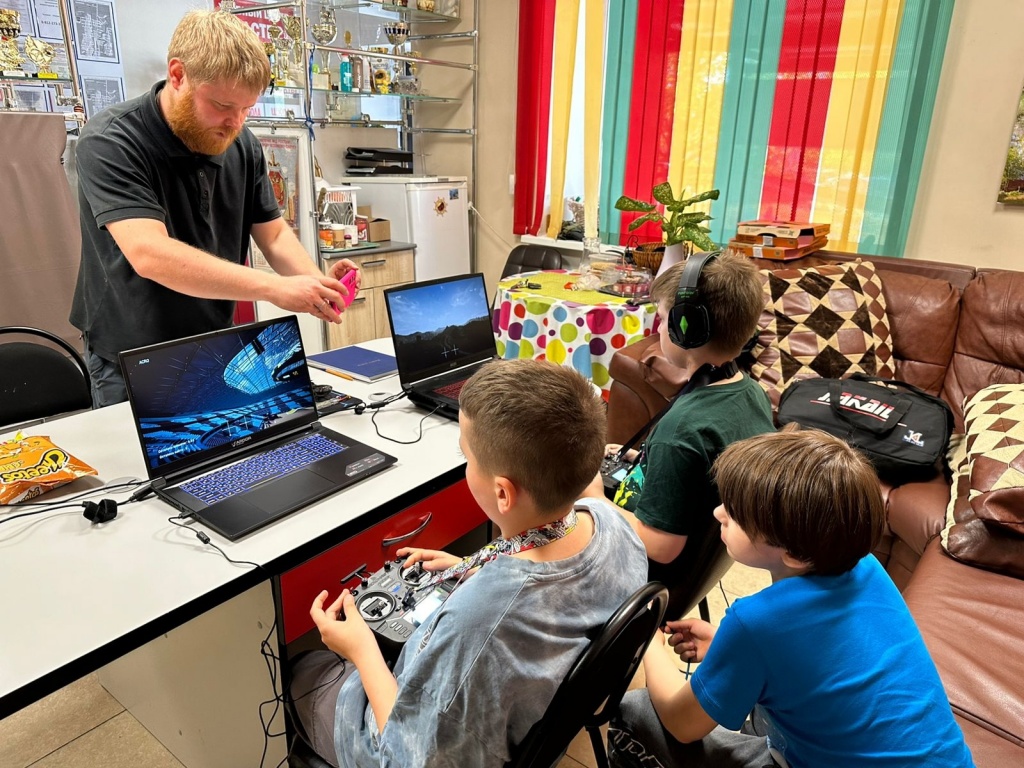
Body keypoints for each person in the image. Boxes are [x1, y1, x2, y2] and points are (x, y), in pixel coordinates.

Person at [289, 359, 647, 767]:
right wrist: (477, 567)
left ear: (502, 494)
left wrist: (361, 650)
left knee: (305, 668)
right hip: (530, 720)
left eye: (467, 456)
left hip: (405, 749)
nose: (466, 466)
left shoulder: (477, 625)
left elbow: (409, 759)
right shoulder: (611, 523)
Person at [608, 428, 975, 768]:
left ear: (795, 554)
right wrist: (728, 648)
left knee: (637, 711)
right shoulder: (866, 567)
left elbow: (680, 723)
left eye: (735, 514)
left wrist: (648, 640)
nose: (719, 513)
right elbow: (824, 654)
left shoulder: (756, 622)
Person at [70, 10, 358, 407]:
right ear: (178, 75)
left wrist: (315, 286)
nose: (235, 122)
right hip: (132, 352)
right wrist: (276, 288)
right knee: (148, 449)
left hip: (214, 342)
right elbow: (150, 254)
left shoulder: (242, 143)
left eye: (246, 108)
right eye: (223, 105)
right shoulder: (111, 141)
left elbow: (273, 234)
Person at [584, 250, 774, 619]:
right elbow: (701, 467)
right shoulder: (750, 393)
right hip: (697, 565)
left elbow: (661, 546)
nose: (658, 329)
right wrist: (645, 460)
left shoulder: (681, 431)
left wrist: (594, 498)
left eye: (661, 318)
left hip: (648, 578)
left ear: (687, 327)